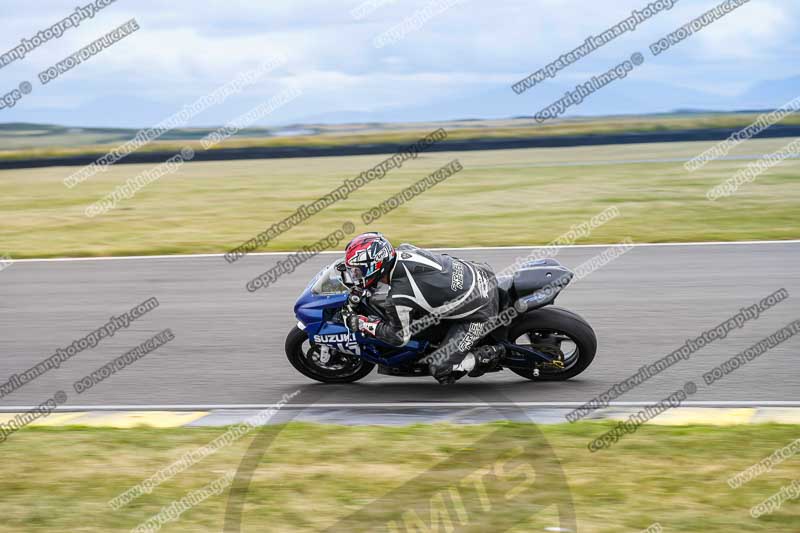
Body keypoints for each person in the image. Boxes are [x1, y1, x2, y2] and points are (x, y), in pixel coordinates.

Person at [341, 232, 504, 384]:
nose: (355, 276)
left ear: (375, 266)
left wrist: (363, 324)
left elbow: (398, 338)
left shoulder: (399, 297)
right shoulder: (405, 249)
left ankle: (488, 355)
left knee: (440, 368)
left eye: (357, 271)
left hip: (481, 311)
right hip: (481, 272)